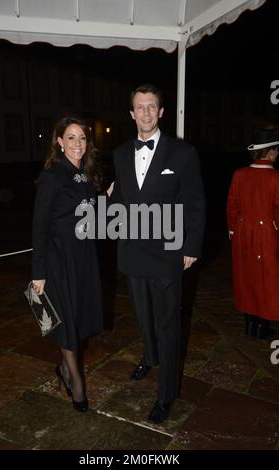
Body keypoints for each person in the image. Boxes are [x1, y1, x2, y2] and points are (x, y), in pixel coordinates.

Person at [110, 84, 206, 423]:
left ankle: (166, 394)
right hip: (133, 251)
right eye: (140, 107)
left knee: (167, 324)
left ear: (161, 112)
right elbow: (120, 199)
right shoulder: (120, 154)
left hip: (168, 252)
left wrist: (191, 247)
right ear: (132, 113)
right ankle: (149, 357)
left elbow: (195, 203)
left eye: (152, 107)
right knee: (143, 316)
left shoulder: (183, 153)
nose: (147, 113)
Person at [31, 116, 103, 412]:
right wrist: (39, 272)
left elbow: (89, 215)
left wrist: (105, 199)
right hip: (59, 261)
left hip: (84, 259)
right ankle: (76, 382)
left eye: (82, 138)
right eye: (71, 138)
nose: (78, 144)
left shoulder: (84, 175)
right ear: (59, 142)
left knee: (78, 319)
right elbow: (39, 226)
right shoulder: (52, 176)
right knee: (66, 322)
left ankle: (63, 369)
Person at [227, 128, 279, 339]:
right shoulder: (275, 177)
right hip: (266, 234)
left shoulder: (239, 174)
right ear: (271, 152)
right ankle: (262, 326)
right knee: (266, 278)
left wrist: (233, 230)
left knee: (245, 276)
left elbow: (231, 205)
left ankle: (250, 324)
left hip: (241, 233)